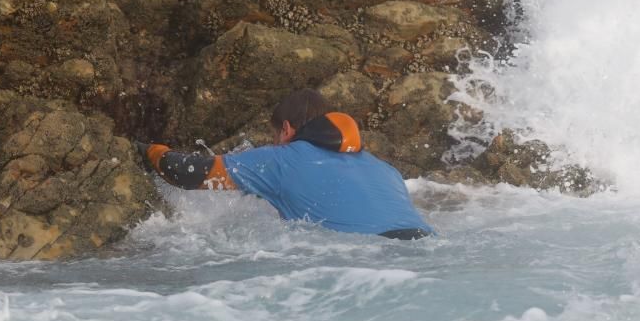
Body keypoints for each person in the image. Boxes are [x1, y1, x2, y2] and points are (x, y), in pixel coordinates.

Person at [140, 89, 432, 239]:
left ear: (287, 130)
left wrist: (144, 149)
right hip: (426, 246)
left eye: (275, 134)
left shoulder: (279, 159)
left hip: (371, 257)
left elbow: (185, 173)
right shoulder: (384, 169)